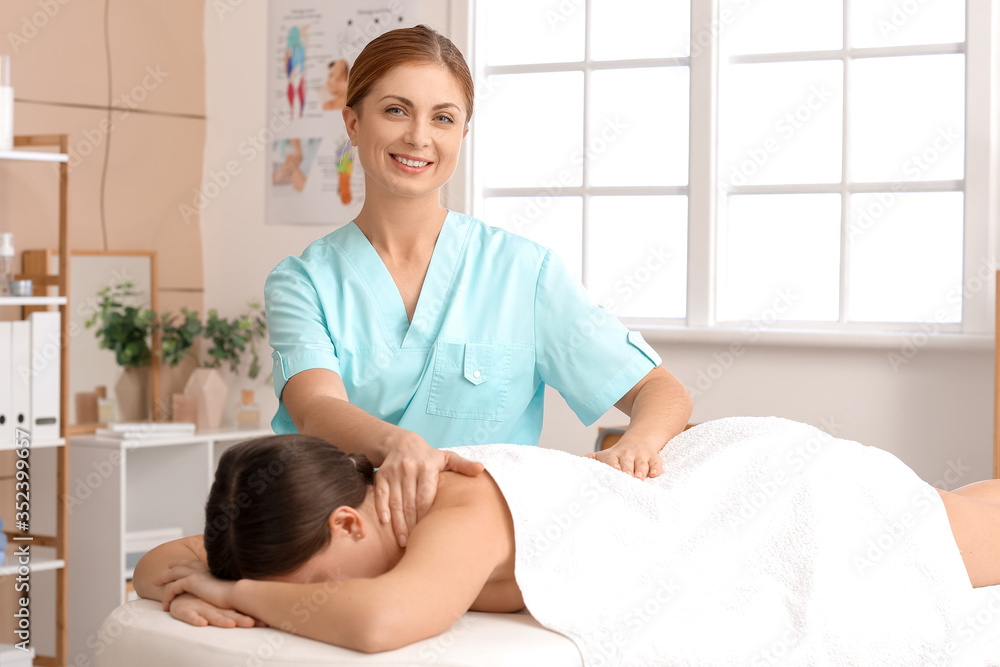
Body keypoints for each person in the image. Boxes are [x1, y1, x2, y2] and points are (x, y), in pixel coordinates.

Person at [264, 24, 693, 551]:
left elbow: (660, 390)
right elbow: (314, 407)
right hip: (344, 535)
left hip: (479, 540)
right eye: (396, 110)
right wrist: (399, 445)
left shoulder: (524, 272)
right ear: (352, 122)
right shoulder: (302, 281)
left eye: (443, 118)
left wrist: (637, 446)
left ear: (462, 134)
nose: (419, 137)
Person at [134, 424, 1000, 661]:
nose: (310, 602)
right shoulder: (335, 509)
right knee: (961, 508)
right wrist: (189, 578)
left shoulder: (453, 509)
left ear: (350, 522)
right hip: (709, 492)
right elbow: (155, 564)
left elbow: (379, 621)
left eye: (317, 581)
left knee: (958, 531)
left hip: (771, 502)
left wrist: (235, 595)